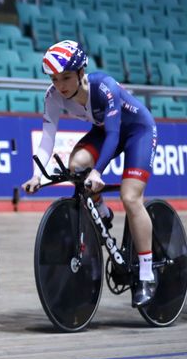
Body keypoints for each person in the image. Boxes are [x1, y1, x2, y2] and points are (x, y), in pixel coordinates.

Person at [21, 40, 158, 307]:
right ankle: (103, 212)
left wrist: (97, 171)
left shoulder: (103, 86)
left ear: (82, 72)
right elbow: (47, 138)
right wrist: (37, 174)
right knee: (75, 165)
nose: (60, 85)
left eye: (66, 78)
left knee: (131, 198)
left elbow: (114, 134)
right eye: (54, 79)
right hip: (104, 130)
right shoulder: (53, 96)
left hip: (136, 131)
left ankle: (146, 273)